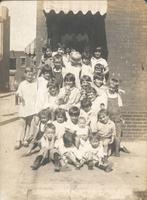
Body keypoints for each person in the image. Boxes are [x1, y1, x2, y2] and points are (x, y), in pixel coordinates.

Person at [15, 67, 37, 149]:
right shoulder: (22, 84)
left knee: (28, 124)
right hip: (24, 106)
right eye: (28, 74)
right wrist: (20, 96)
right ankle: (18, 140)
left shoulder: (35, 84)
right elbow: (18, 92)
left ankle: (25, 139)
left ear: (33, 75)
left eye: (31, 75)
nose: (30, 76)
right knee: (21, 124)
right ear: (25, 75)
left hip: (31, 107)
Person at [106, 78, 124, 156]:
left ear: (116, 88)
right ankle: (109, 149)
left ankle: (117, 150)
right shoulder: (106, 93)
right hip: (108, 117)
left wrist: (121, 118)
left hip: (117, 117)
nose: (111, 89)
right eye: (110, 87)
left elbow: (120, 107)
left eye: (113, 88)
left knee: (117, 134)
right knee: (109, 132)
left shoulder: (117, 95)